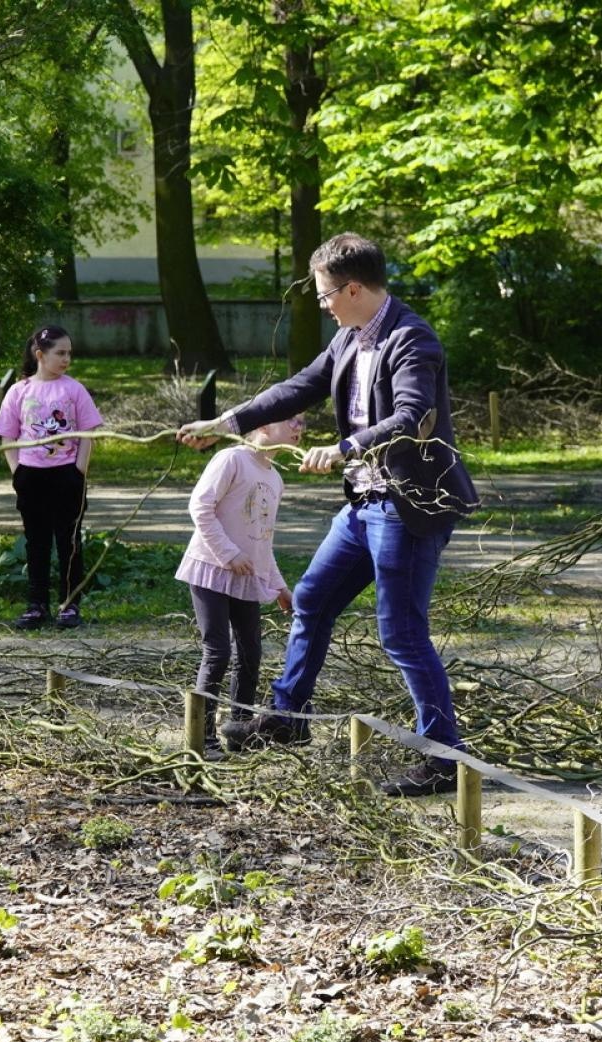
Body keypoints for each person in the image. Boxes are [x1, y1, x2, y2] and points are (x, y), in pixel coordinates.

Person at [177, 232, 479, 797]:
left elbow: (413, 416)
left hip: (408, 506)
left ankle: (442, 756)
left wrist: (346, 447)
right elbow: (298, 388)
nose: (322, 305)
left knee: (402, 633)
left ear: (355, 288)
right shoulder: (347, 339)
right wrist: (228, 423)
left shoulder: (413, 339)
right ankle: (287, 717)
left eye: (326, 295)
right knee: (312, 600)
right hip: (364, 506)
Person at [175, 414, 304, 757]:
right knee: (217, 653)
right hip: (211, 569)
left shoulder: (276, 479)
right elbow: (200, 507)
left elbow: (262, 542)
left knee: (250, 657)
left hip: (246, 579)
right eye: (291, 420)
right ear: (263, 426)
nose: (298, 428)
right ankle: (202, 738)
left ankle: (241, 731)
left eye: (302, 422)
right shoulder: (231, 458)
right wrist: (228, 554)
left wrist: (279, 587)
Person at [0, 325, 103, 630]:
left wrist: (78, 470)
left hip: (67, 477)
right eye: (60, 353)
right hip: (32, 478)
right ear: (40, 355)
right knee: (36, 542)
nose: (67, 359)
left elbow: (87, 434)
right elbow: (7, 437)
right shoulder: (19, 391)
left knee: (69, 543)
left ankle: (69, 605)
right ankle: (36, 605)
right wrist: (19, 472)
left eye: (69, 353)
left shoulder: (74, 389)